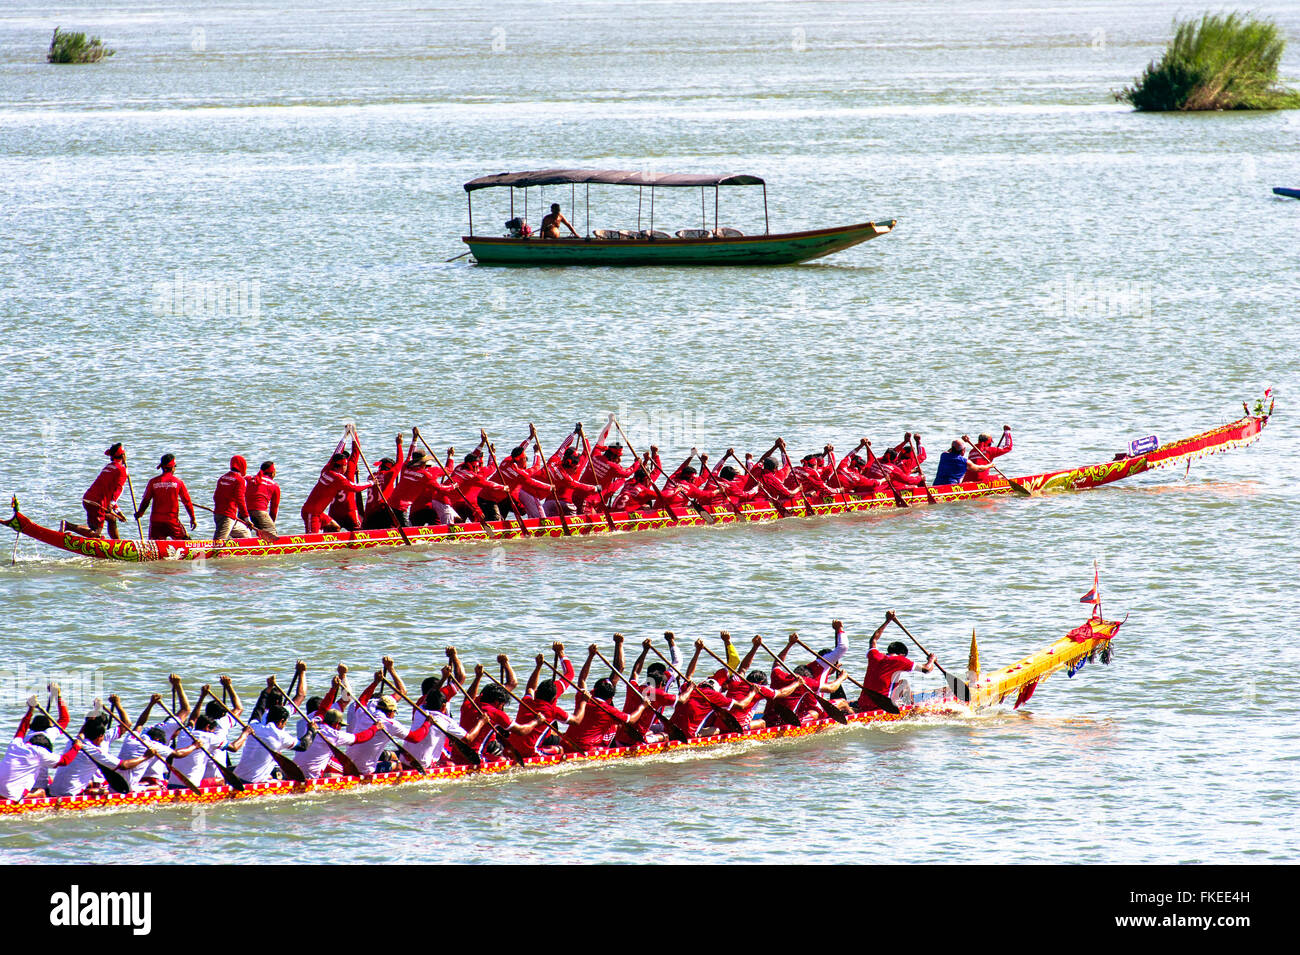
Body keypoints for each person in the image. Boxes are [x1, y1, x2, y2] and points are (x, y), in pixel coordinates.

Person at [563, 646, 646, 753]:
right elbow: (631, 719)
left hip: (566, 744)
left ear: (595, 689)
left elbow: (582, 679)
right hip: (588, 748)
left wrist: (590, 656)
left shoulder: (583, 698)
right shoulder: (610, 711)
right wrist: (643, 705)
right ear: (611, 698)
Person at [857, 612, 935, 709]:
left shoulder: (874, 655)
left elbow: (873, 639)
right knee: (904, 684)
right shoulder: (900, 660)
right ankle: (911, 711)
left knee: (898, 682)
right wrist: (931, 660)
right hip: (881, 706)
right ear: (902, 654)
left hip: (862, 703)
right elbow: (927, 669)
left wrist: (887, 621)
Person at [65, 443, 129, 539]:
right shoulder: (121, 470)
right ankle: (67, 526)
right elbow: (118, 490)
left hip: (88, 499)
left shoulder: (109, 466)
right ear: (123, 456)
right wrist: (111, 505)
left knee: (112, 519)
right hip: (97, 503)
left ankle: (117, 542)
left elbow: (107, 492)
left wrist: (118, 511)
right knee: (96, 534)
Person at [300, 449, 372, 534]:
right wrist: (371, 483)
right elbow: (355, 488)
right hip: (311, 513)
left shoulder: (326, 470)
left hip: (319, 513)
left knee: (335, 527)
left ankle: (331, 546)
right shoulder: (338, 478)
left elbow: (334, 454)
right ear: (344, 465)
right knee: (311, 541)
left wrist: (344, 438)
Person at [134, 454, 197, 540]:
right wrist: (192, 518)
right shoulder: (178, 482)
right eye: (175, 466)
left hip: (156, 522)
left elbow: (146, 500)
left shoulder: (153, 482)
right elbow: (187, 502)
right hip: (172, 522)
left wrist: (140, 513)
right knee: (185, 541)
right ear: (172, 468)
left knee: (155, 547)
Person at [230, 704, 297, 783]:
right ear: (282, 721)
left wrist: (265, 693)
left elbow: (257, 711)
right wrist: (312, 730)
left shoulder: (253, 726)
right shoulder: (280, 735)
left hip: (237, 777)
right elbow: (303, 746)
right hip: (253, 782)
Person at [213, 455, 253, 540]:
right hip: (227, 516)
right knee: (218, 542)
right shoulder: (240, 480)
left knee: (245, 533)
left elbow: (215, 497)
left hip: (219, 514)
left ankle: (239, 551)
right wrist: (247, 519)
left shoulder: (222, 478)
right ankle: (208, 552)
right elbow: (240, 500)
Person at [245, 461, 281, 537]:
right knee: (272, 535)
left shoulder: (249, 479)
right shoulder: (274, 485)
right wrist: (271, 523)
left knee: (242, 533)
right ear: (272, 473)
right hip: (260, 513)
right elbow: (274, 509)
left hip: (244, 512)